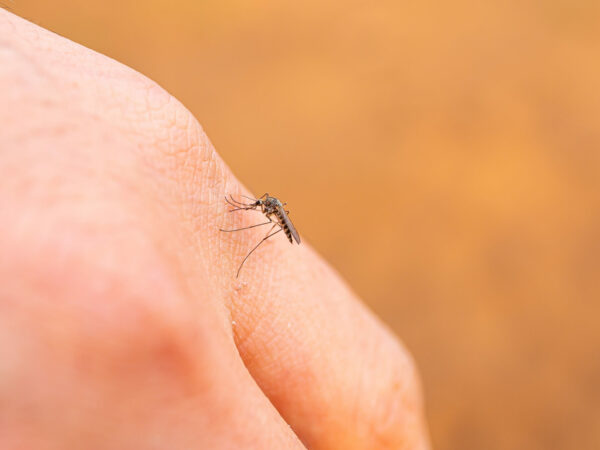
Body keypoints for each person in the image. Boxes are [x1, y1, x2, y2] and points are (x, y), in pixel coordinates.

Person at [0, 9, 429, 449]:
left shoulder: (275, 216)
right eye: (267, 205)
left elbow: (271, 217)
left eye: (267, 206)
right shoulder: (266, 202)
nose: (265, 207)